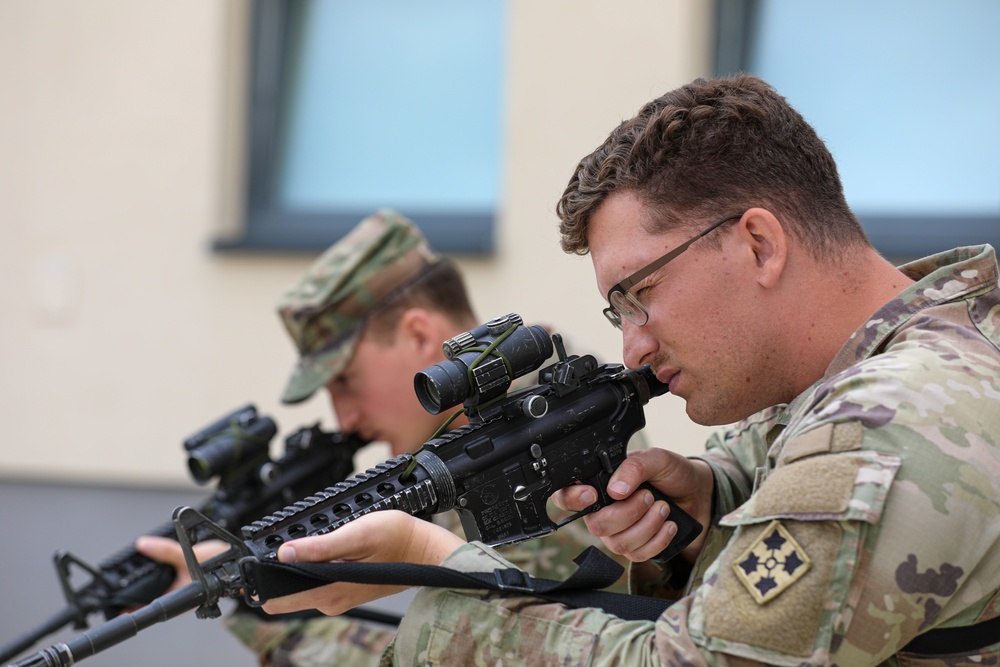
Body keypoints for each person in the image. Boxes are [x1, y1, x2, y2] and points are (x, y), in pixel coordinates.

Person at [253, 73, 1000, 665]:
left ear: (759, 245)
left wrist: (438, 568)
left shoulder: (896, 416)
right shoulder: (877, 368)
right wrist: (704, 506)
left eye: (641, 294)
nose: (634, 348)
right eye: (619, 314)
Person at [137, 209, 639, 666]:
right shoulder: (473, 438)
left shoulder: (548, 436)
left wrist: (266, 617)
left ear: (419, 335)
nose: (345, 418)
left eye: (346, 381)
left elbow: (496, 644)